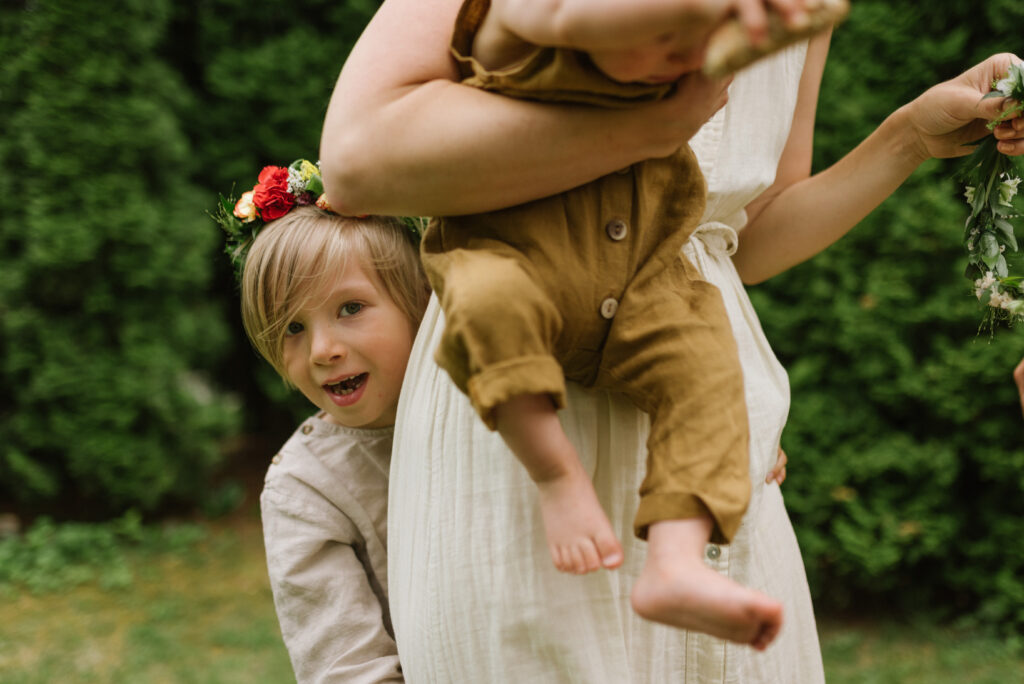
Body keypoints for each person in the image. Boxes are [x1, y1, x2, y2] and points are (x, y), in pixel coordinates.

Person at [320, 0, 1024, 678]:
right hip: (518, 391)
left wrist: (907, 137)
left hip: (693, 377)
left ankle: (679, 564)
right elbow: (357, 159)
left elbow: (739, 234)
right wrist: (652, 129)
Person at [417, 0, 841, 649]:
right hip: (516, 249)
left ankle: (675, 560)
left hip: (647, 268)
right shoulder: (515, 25)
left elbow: (760, 216)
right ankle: (556, 475)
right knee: (487, 305)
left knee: (705, 355)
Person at [217, 159, 429, 683]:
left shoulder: (487, 403)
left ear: (419, 303)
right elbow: (347, 668)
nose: (323, 350)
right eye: (292, 327)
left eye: (351, 307)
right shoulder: (304, 489)